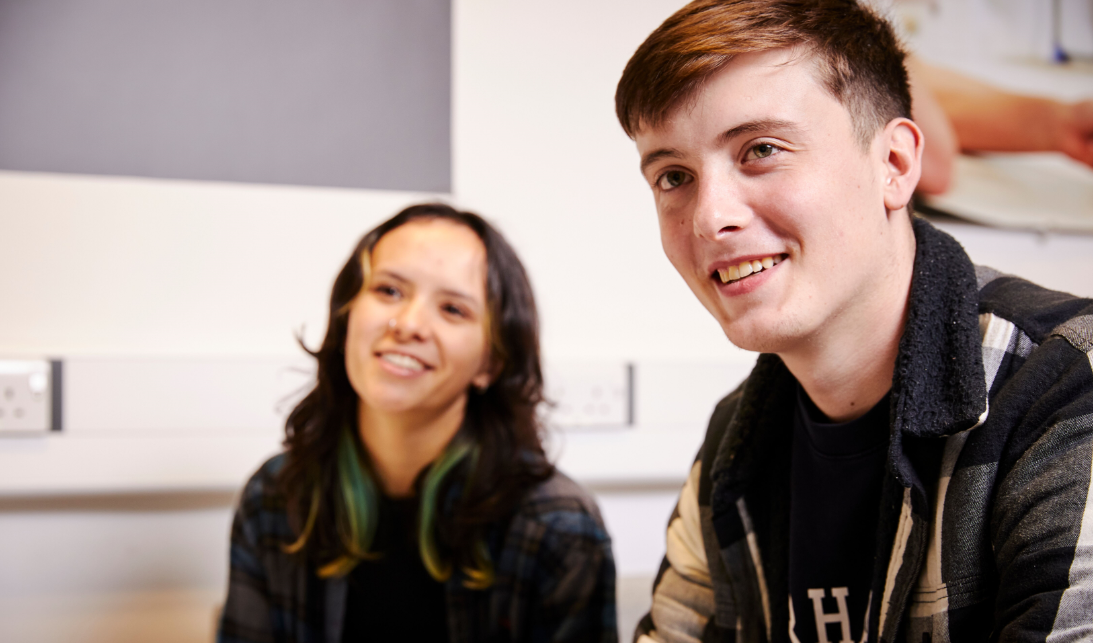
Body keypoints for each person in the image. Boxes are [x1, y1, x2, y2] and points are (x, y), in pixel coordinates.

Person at [614, 1, 1093, 641]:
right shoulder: (736, 440)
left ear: (894, 164)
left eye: (761, 149)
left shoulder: (1066, 385)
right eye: (674, 176)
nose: (709, 218)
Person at [217, 203, 617, 643]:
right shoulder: (275, 496)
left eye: (453, 309)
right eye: (389, 290)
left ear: (491, 362)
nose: (408, 325)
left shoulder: (560, 528)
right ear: (347, 315)